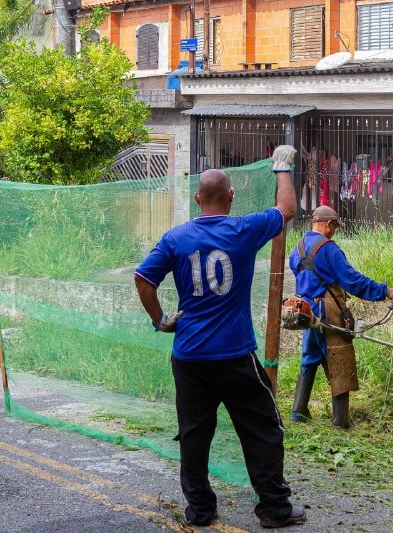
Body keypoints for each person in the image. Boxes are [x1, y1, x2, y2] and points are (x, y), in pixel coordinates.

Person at [134, 146, 306, 529]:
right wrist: (281, 167)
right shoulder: (243, 229)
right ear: (231, 197)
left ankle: (200, 510)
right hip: (233, 357)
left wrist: (161, 320)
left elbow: (143, 278)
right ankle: (274, 509)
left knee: (195, 435)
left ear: (197, 199)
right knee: (263, 428)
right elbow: (288, 210)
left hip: (190, 356)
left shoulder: (175, 238)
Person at [288, 206, 393, 428]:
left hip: (306, 313)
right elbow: (353, 280)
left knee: (310, 357)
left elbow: (299, 274)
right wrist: (387, 291)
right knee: (339, 359)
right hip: (329, 313)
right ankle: (341, 421)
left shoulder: (297, 248)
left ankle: (299, 410)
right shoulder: (329, 249)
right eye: (333, 226)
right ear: (327, 224)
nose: (334, 231)